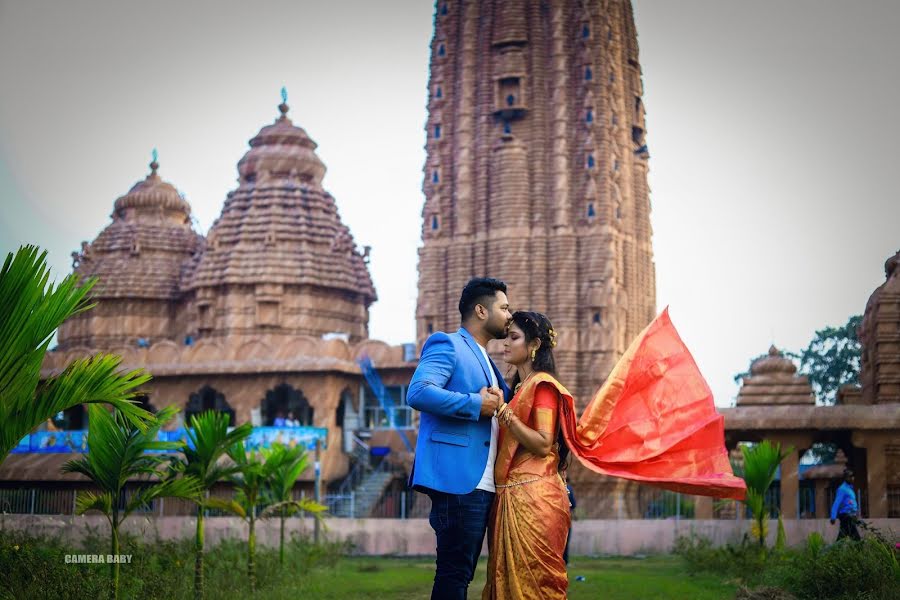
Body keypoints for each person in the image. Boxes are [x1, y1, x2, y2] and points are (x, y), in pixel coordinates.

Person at [482, 310, 746, 599]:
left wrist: (503, 412)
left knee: (535, 587)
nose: (505, 344)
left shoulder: (543, 387)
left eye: (514, 337)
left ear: (534, 345)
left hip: (533, 500)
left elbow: (544, 444)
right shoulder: (520, 389)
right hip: (513, 498)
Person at [407, 277, 513, 600]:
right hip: (458, 480)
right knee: (454, 573)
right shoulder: (448, 344)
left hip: (484, 484)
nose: (509, 315)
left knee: (462, 573)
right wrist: (474, 404)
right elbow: (419, 392)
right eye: (504, 307)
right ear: (481, 310)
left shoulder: (488, 362)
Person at [830, 469, 861, 541]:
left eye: (853, 476)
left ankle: (834, 551)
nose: (853, 478)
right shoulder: (842, 489)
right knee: (856, 539)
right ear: (846, 478)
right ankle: (859, 550)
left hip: (850, 516)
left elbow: (851, 503)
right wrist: (833, 516)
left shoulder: (850, 489)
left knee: (842, 538)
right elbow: (836, 503)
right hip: (846, 516)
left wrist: (856, 514)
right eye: (850, 476)